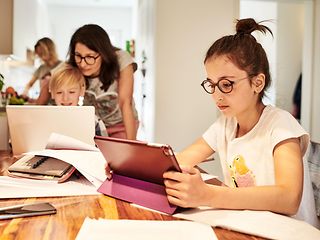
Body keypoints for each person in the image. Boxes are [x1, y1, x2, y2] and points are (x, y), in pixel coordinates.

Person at [162, 18, 317, 227]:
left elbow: (289, 198)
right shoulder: (225, 125)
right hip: (251, 226)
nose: (217, 95)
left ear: (257, 83)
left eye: (226, 84)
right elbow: (181, 160)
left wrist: (208, 195)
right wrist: (129, 167)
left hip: (290, 231)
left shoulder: (280, 125)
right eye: (211, 84)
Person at [67, 24, 139, 139]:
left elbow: (126, 102)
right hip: (94, 126)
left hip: (121, 125)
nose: (83, 64)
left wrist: (132, 145)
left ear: (103, 53)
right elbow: (53, 81)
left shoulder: (121, 58)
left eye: (90, 57)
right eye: (78, 56)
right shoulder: (73, 65)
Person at [49, 63, 107, 136]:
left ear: (81, 92)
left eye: (71, 92)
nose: (65, 98)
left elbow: (104, 145)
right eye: (59, 92)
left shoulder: (92, 121)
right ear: (52, 93)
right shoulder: (47, 120)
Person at [22, 37, 61, 104]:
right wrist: (25, 92)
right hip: (44, 105)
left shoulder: (62, 66)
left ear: (50, 50)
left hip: (58, 105)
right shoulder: (41, 68)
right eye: (39, 54)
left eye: (43, 53)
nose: (41, 57)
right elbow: (30, 84)